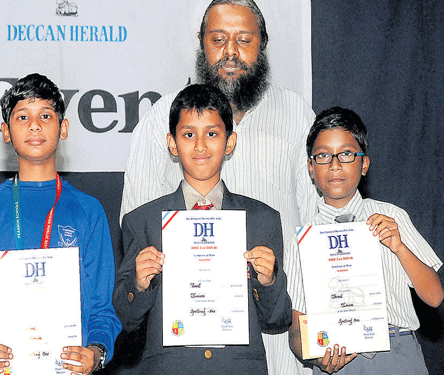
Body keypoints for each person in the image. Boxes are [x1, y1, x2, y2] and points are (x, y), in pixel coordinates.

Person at [120, 1, 317, 373]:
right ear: (201, 44)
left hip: (275, 344)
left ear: (263, 43)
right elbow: (137, 231)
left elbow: (311, 232)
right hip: (181, 344)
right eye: (218, 39)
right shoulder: (158, 119)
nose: (231, 52)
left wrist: (312, 333)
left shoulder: (297, 116)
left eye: (244, 39)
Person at [0, 73, 122, 375]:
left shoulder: (88, 211)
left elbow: (103, 311)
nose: (35, 125)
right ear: (6, 131)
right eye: (22, 116)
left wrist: (97, 352)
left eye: (46, 115)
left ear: (63, 128)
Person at [113, 84, 292, 374]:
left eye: (212, 134)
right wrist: (138, 283)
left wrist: (269, 281)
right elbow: (124, 318)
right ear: (172, 144)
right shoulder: (141, 221)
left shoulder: (262, 219)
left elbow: (278, 319)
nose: (200, 146)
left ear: (230, 142)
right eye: (188, 135)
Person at [285, 106, 444, 374]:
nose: (334, 165)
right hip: (335, 357)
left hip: (397, 351)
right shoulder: (301, 241)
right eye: (323, 155)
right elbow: (296, 324)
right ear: (311, 168)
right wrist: (314, 357)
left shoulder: (391, 217)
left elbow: (435, 297)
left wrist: (399, 247)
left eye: (346, 153)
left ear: (364, 163)